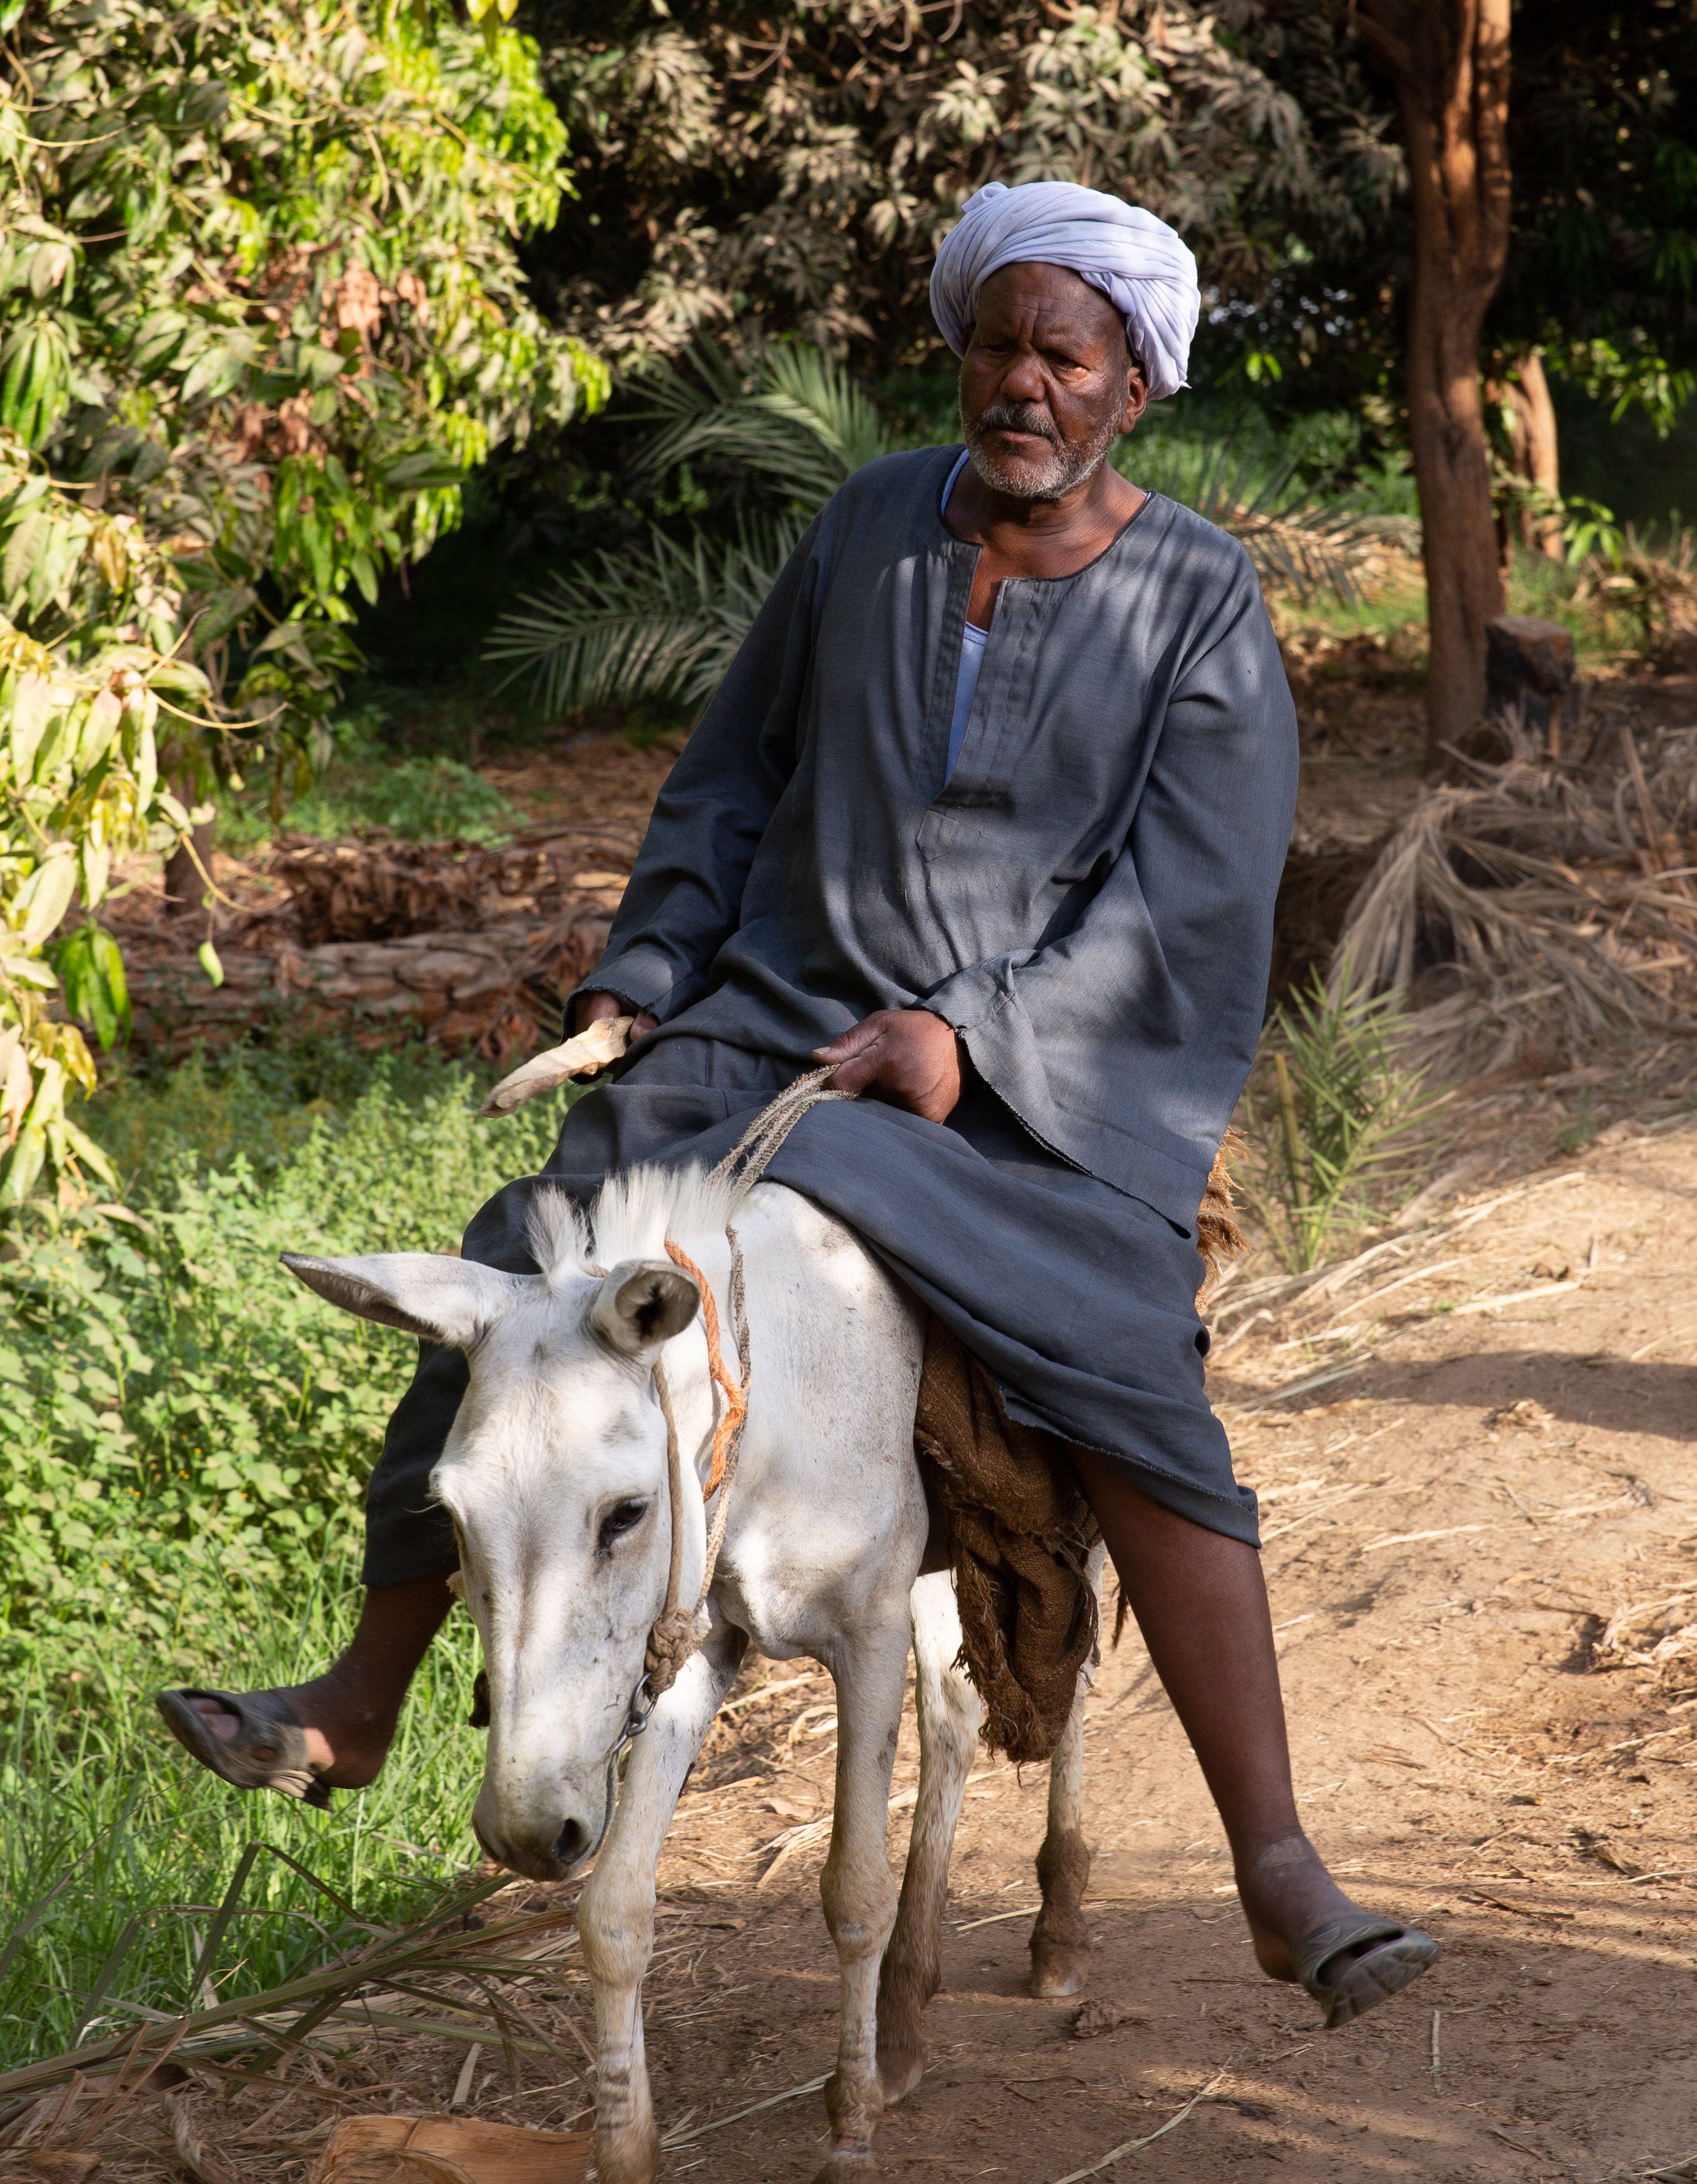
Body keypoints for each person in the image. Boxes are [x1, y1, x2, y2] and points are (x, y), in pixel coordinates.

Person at [157, 179, 1438, 2029]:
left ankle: (1272, 1869)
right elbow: (723, 780)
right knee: (523, 1263)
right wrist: (645, 972)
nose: (1019, 382)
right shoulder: (863, 529)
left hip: (1024, 1102)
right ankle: (359, 1699)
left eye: (1060, 355)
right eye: (993, 343)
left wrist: (969, 1039)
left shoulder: (1197, 602)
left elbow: (1192, 904)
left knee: (1131, 1378)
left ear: (1128, 385)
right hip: (758, 1031)